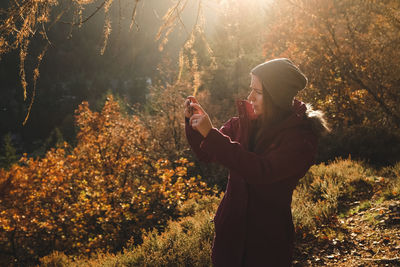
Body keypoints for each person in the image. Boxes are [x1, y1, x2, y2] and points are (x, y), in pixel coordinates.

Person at [184, 58, 330, 266]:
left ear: (276, 97)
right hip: (229, 240)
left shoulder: (300, 138)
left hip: (267, 244)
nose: (250, 97)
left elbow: (262, 172)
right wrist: (194, 124)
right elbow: (208, 153)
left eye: (258, 92)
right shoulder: (242, 123)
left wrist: (211, 134)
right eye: (250, 89)